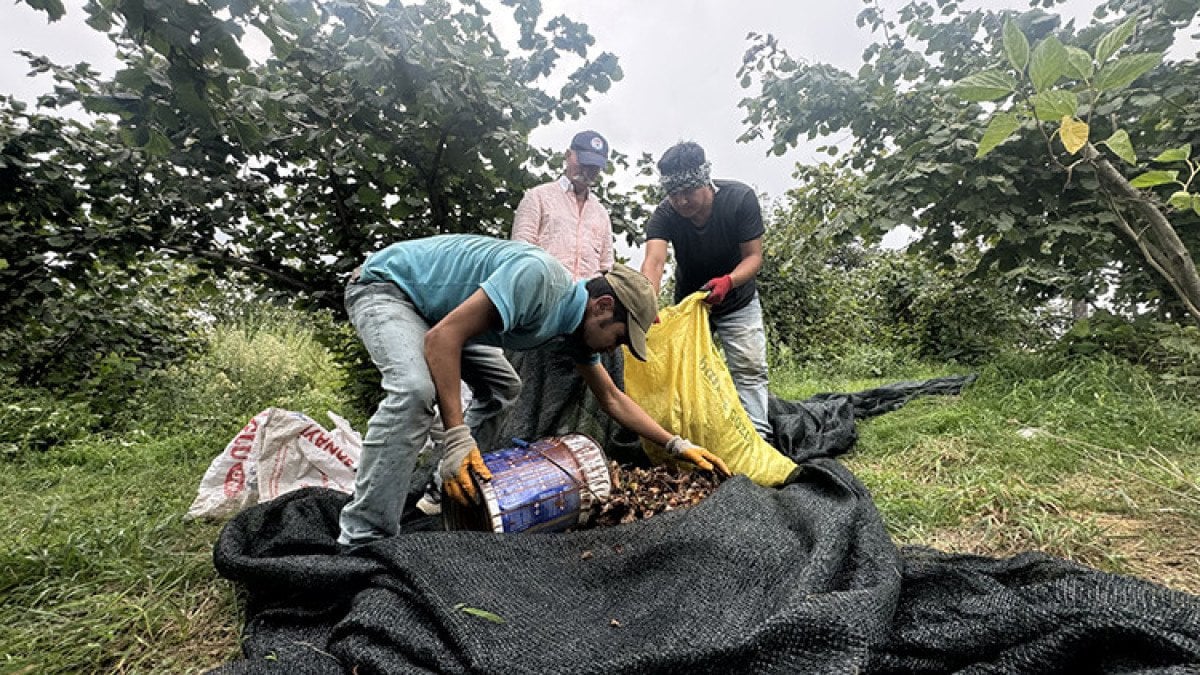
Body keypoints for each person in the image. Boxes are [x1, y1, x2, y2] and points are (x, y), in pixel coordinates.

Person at [339, 234, 729, 547]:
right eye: (621, 337)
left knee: (503, 386)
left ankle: (446, 489)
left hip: (439, 316)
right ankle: (362, 537)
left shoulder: (574, 327)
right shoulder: (539, 278)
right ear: (603, 306)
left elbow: (611, 398)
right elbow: (442, 340)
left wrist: (677, 444)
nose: (616, 349)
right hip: (389, 288)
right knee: (414, 392)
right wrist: (457, 437)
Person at [640, 141, 773, 441]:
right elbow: (654, 261)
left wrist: (729, 281)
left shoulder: (740, 199)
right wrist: (645, 304)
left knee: (749, 368)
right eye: (674, 195)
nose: (682, 202)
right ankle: (697, 434)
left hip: (737, 297)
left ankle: (759, 438)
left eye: (688, 192)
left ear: (705, 181)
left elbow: (753, 257)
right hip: (692, 304)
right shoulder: (665, 215)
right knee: (689, 372)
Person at [511, 129, 615, 281]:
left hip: (585, 300)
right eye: (583, 162)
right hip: (542, 294)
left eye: (593, 167)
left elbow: (606, 265)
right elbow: (520, 250)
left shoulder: (601, 213)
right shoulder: (538, 197)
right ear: (568, 155)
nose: (586, 170)